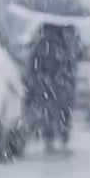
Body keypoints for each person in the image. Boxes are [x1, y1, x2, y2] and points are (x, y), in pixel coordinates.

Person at [25, 23, 79, 152]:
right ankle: (62, 133)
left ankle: (49, 136)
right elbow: (70, 65)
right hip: (60, 86)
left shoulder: (40, 45)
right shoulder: (64, 46)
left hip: (46, 86)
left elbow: (33, 67)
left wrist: (39, 79)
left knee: (48, 111)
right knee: (62, 111)